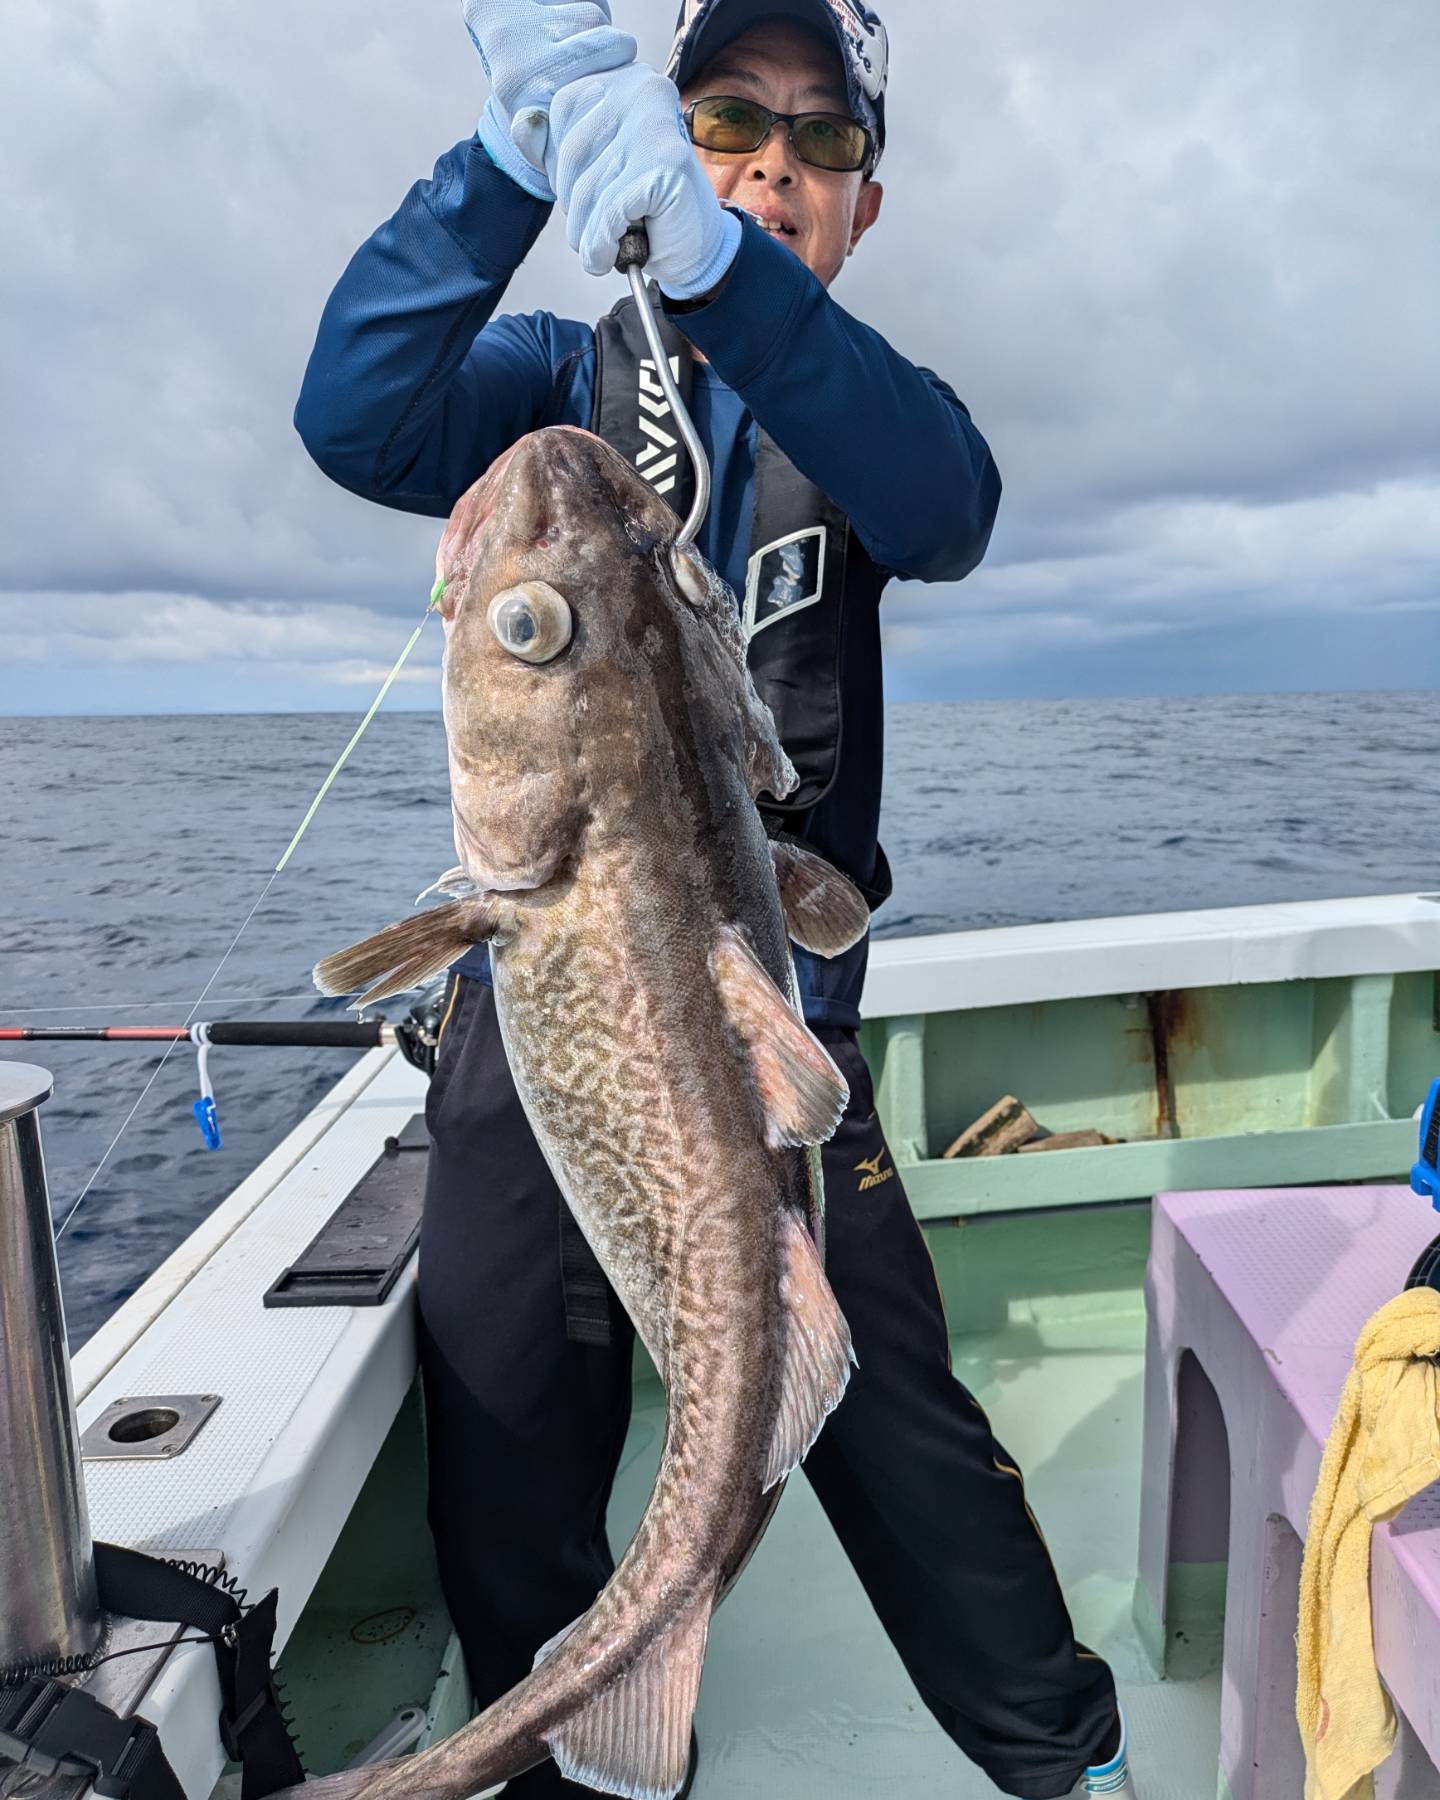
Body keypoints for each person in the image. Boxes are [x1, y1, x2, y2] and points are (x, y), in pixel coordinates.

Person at [294, 1, 1136, 1793]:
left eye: (820, 138)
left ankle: (1074, 1763)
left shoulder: (871, 412)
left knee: (899, 1425)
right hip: (539, 1027)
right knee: (511, 1418)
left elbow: (956, 500)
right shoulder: (552, 385)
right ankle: (578, 1753)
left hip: (779, 1048)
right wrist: (502, 171)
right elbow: (358, 416)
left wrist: (732, 284)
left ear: (866, 202)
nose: (769, 161)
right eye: (725, 118)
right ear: (664, 136)